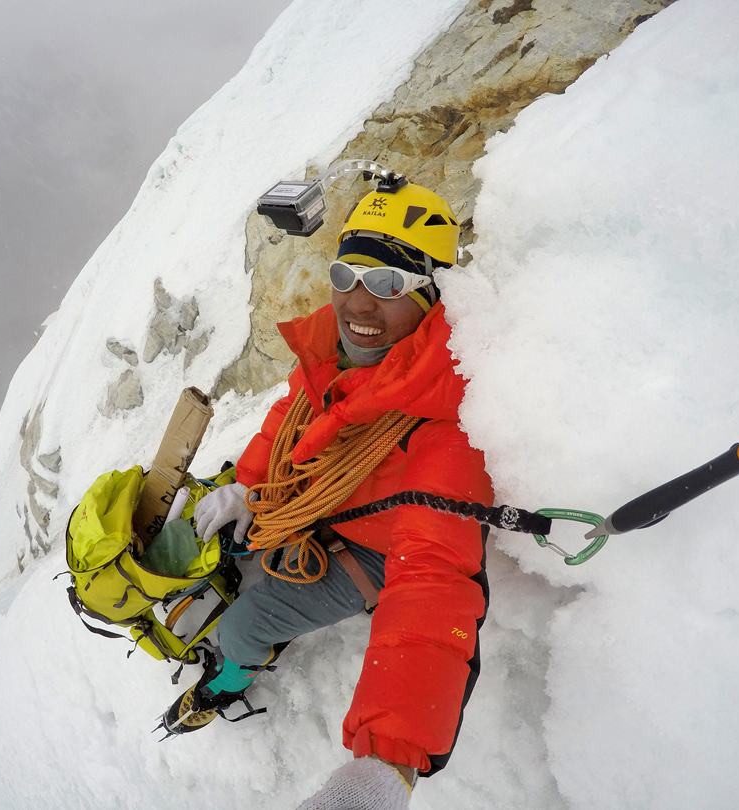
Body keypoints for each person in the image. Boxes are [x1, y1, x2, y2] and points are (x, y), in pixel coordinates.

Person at [164, 181, 493, 809]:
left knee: (245, 625)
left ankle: (225, 682)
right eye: (348, 274)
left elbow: (435, 577)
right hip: (323, 509)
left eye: (391, 285)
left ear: (431, 294)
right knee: (216, 559)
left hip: (376, 553)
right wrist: (247, 487)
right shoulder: (334, 354)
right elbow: (292, 416)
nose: (360, 304)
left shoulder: (447, 419)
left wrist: (385, 767)